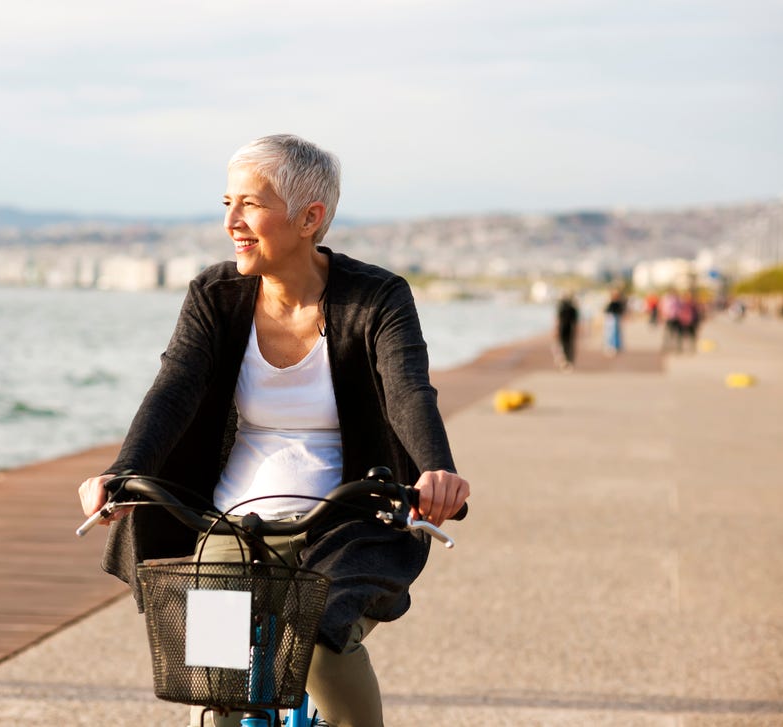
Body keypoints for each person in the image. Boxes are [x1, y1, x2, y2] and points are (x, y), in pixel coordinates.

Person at [77, 134, 470, 727]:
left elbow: (409, 389)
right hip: (232, 520)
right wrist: (123, 472)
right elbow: (172, 389)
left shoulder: (378, 297)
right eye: (227, 203)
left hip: (350, 523)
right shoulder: (216, 294)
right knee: (214, 680)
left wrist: (436, 469)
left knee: (319, 644)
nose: (232, 221)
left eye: (251, 205)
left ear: (310, 218)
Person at [555, 292, 579, 371]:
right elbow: (575, 322)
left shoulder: (561, 308)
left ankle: (565, 361)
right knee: (569, 345)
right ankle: (569, 361)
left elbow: (557, 320)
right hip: (569, 328)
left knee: (564, 344)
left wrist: (556, 329)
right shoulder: (573, 309)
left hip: (563, 328)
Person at [603, 289, 626, 356]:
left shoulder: (617, 303)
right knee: (612, 333)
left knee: (613, 333)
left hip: (614, 319)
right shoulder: (613, 302)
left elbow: (619, 311)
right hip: (612, 319)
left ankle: (614, 346)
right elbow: (606, 310)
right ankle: (613, 346)